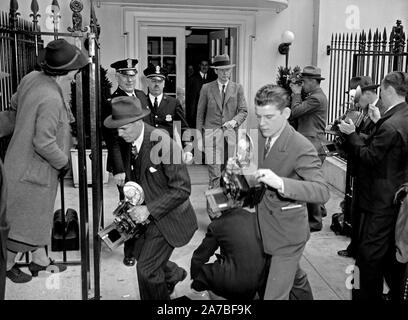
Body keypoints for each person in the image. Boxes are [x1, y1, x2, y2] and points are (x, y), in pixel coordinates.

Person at [4, 39, 89, 283]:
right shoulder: (52, 97)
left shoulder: (31, 78)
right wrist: (64, 163)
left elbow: (15, 105)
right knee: (24, 223)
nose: (75, 76)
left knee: (36, 217)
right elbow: (44, 143)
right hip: (34, 170)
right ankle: (6, 264)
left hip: (19, 162)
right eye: (75, 72)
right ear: (67, 71)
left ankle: (40, 262)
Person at [103, 96, 198, 300]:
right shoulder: (130, 139)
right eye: (117, 129)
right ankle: (173, 275)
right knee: (139, 252)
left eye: (123, 128)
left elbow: (182, 189)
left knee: (146, 269)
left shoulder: (164, 144)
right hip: (146, 215)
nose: (119, 134)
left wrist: (148, 209)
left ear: (138, 122)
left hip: (168, 217)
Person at [253, 84, 330, 300]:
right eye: (259, 116)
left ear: (286, 114)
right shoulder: (261, 135)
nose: (261, 123)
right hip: (264, 225)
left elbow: (322, 191)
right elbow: (259, 171)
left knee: (274, 295)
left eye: (268, 117)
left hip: (287, 234)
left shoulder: (301, 146)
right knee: (295, 278)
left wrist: (280, 183)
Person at [338, 71, 408, 301]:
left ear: (388, 90)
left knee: (365, 259)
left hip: (380, 201)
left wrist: (351, 135)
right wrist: (377, 123)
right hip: (396, 198)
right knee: (389, 257)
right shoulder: (400, 116)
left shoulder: (391, 125)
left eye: (382, 91)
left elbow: (368, 156)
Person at [103, 58, 151, 267]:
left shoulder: (141, 96)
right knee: (129, 207)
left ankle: (146, 245)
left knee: (147, 201)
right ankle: (130, 251)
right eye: (125, 75)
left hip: (144, 158)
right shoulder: (112, 101)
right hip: (125, 161)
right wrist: (119, 169)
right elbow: (112, 139)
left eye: (132, 75)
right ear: (117, 77)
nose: (130, 79)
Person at [338, 76, 383, 258]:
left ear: (369, 94)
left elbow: (373, 140)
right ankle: (354, 247)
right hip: (360, 167)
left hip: (370, 171)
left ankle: (358, 249)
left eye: (358, 97)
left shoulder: (379, 111)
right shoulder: (365, 111)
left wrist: (354, 134)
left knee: (363, 213)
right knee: (355, 210)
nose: (356, 102)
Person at [190, 207, 267, 300]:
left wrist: (195, 277)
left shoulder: (217, 224)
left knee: (201, 274)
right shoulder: (257, 218)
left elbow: (199, 258)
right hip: (259, 281)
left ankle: (199, 292)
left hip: (234, 284)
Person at [196, 54, 248, 190]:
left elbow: (243, 111)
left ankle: (226, 207)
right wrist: (198, 138)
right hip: (211, 136)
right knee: (214, 174)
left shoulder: (237, 88)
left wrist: (234, 122)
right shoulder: (206, 88)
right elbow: (200, 115)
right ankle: (213, 210)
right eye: (222, 70)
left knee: (228, 174)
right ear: (216, 71)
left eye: (228, 70)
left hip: (230, 137)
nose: (226, 73)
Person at [289, 65, 328, 232]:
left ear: (313, 81)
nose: (302, 85)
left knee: (309, 183)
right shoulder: (314, 96)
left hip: (312, 146)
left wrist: (296, 94)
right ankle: (319, 210)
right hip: (312, 144)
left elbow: (294, 112)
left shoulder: (316, 98)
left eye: (304, 82)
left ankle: (315, 221)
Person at [185, 59, 216, 128]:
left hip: (209, 112)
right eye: (202, 65)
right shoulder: (192, 79)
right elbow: (189, 97)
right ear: (199, 66)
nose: (204, 67)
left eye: (206, 65)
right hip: (195, 112)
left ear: (208, 66)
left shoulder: (212, 79)